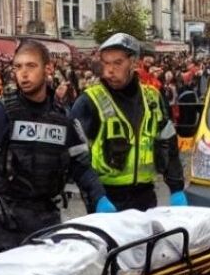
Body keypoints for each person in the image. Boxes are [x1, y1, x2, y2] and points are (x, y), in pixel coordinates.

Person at [0, 40, 113, 255]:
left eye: (31, 66)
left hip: (48, 219)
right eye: (18, 67)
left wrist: (100, 198)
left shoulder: (63, 119)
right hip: (6, 223)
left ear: (48, 69)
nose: (23, 73)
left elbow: (82, 168)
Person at [71, 33, 186, 213]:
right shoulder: (89, 101)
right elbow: (75, 157)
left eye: (117, 63)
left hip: (145, 196)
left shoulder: (153, 98)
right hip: (106, 197)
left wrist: (176, 189)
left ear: (133, 63)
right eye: (105, 63)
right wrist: (97, 196)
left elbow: (169, 146)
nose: (109, 70)